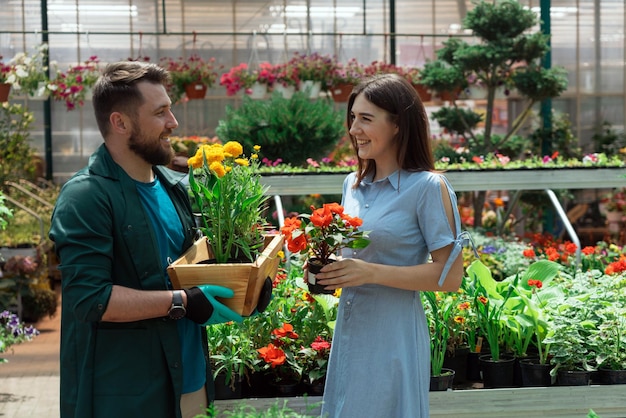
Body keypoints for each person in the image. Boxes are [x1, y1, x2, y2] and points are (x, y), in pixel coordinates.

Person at [49, 61, 243, 418]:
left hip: (192, 384)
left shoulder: (174, 188)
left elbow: (193, 273)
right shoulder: (87, 196)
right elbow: (91, 300)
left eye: (170, 109)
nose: (174, 123)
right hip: (128, 396)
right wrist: (182, 302)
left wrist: (247, 289)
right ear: (120, 123)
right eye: (160, 112)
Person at [315, 73, 466, 417]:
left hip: (393, 335)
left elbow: (450, 275)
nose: (354, 130)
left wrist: (369, 272)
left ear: (397, 124)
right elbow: (355, 258)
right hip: (351, 330)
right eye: (353, 118)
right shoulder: (351, 185)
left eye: (366, 119)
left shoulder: (428, 187)